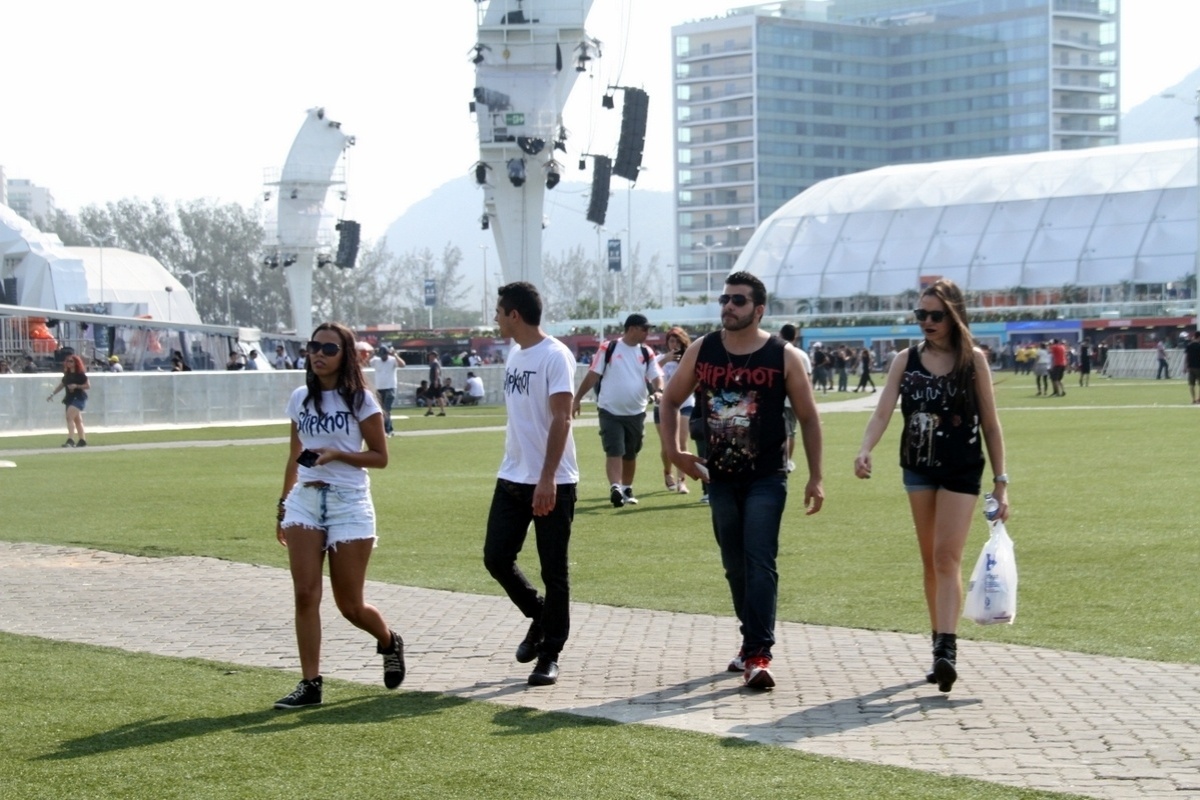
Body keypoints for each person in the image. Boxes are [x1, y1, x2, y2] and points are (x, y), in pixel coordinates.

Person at [661, 272, 824, 690]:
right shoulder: (703, 349)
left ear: (759, 309)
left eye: (738, 300)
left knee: (759, 559)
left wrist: (816, 477)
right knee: (734, 566)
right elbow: (670, 400)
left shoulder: (782, 355)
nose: (728, 307)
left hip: (767, 476)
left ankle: (758, 654)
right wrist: (674, 452)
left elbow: (808, 417)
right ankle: (749, 639)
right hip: (719, 477)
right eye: (725, 299)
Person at [853, 278, 1009, 694]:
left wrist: (1001, 482)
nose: (926, 321)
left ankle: (946, 651)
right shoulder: (905, 359)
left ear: (954, 315)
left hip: (962, 470)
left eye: (935, 315)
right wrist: (865, 448)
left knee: (946, 557)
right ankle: (938, 644)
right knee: (930, 561)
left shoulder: (973, 361)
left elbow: (991, 425)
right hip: (918, 468)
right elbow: (882, 412)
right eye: (921, 314)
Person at [273, 322, 405, 709]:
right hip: (305, 500)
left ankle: (388, 641)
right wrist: (283, 504)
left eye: (329, 349)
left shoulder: (361, 399)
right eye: (314, 346)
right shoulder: (300, 398)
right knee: (305, 594)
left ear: (346, 355)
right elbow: (294, 456)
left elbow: (380, 457)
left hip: (349, 502)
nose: (319, 354)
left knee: (350, 606)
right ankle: (310, 683)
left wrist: (337, 454)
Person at [483, 281, 579, 687]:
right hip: (512, 476)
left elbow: (562, 418)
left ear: (514, 315)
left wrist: (547, 478)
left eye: (498, 312)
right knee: (496, 558)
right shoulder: (514, 353)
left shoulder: (555, 356)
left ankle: (550, 653)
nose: (495, 319)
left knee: (554, 570)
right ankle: (540, 615)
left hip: (552, 481)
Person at [571, 313, 664, 507]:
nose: (647, 333)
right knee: (614, 449)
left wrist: (659, 391)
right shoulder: (609, 348)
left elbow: (656, 376)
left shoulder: (646, 352)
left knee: (631, 452)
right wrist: (577, 398)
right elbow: (593, 375)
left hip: (636, 412)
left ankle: (626, 488)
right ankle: (615, 487)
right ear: (632, 329)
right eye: (644, 329)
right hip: (609, 410)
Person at [654, 326, 694, 493]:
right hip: (663, 406)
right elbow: (650, 372)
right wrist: (666, 359)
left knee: (682, 442)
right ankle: (667, 472)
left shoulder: (688, 358)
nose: (674, 344)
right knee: (667, 446)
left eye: (678, 341)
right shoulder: (660, 359)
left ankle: (681, 481)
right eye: (671, 341)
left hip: (685, 403)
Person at [777, 323, 811, 473]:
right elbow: (808, 379)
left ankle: (783, 461)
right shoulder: (802, 355)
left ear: (780, 334)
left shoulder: (777, 352)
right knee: (790, 432)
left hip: (778, 399)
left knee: (781, 431)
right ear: (795, 336)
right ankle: (787, 461)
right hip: (794, 400)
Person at [47, 354, 90, 448]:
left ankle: (70, 440)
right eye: (67, 361)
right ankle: (82, 440)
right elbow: (62, 385)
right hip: (69, 398)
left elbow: (87, 386)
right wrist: (52, 394)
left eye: (71, 361)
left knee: (69, 417)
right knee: (77, 420)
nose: (68, 363)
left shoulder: (80, 374)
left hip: (78, 398)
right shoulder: (67, 374)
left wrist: (76, 386)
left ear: (76, 363)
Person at [369, 346, 405, 436]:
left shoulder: (392, 360)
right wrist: (372, 354)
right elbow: (365, 363)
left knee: (386, 409)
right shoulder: (376, 360)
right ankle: (390, 429)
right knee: (381, 410)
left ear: (387, 353)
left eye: (384, 355)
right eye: (381, 355)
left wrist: (395, 355)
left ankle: (387, 430)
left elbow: (403, 365)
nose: (383, 357)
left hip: (390, 387)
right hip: (379, 388)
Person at [424, 352, 447, 417]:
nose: (429, 357)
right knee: (438, 397)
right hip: (435, 382)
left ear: (433, 356)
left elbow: (437, 371)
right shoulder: (434, 363)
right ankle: (441, 411)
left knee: (430, 396)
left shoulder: (435, 363)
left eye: (430, 355)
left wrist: (436, 381)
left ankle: (431, 410)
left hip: (435, 382)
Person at [1184, 333, 1200, 404]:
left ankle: (1193, 399)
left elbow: (1186, 357)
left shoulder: (1189, 345)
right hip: (1198, 367)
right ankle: (1199, 399)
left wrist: (1185, 366)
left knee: (1191, 384)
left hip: (1190, 367)